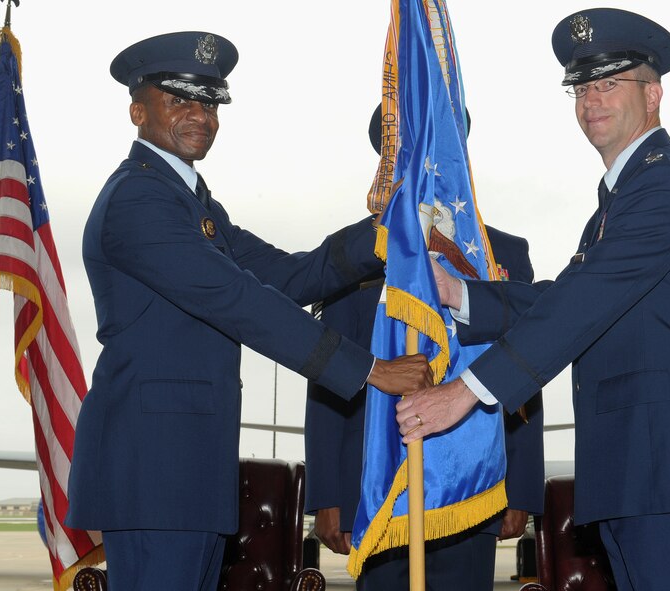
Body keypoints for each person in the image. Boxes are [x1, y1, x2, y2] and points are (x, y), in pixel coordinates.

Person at [396, 8, 670, 590]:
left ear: (654, 93)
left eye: (610, 84)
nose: (592, 102)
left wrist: (466, 393)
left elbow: (581, 303)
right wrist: (457, 291)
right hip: (637, 473)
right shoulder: (621, 199)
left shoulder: (666, 187)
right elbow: (564, 298)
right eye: (582, 89)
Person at [65, 31, 430, 591]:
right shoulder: (139, 200)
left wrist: (385, 231)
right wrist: (370, 370)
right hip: (154, 472)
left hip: (189, 471)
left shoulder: (194, 204)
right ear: (138, 110)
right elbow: (237, 299)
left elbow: (289, 274)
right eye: (179, 99)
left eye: (209, 102)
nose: (200, 115)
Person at [304, 106, 545, 590]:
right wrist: (328, 493)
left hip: (474, 482)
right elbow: (328, 379)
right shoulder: (353, 255)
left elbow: (525, 372)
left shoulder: (502, 255)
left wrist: (521, 486)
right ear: (386, 162)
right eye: (407, 154)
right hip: (377, 485)